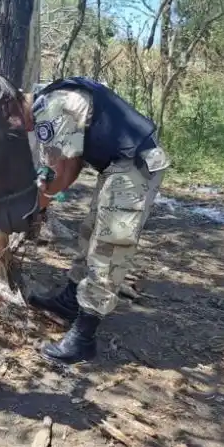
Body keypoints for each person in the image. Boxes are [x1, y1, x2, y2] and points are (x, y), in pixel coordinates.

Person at [26, 76, 171, 365]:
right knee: (91, 231)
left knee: (109, 247)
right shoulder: (53, 95)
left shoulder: (53, 106)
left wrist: (37, 209)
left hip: (134, 167)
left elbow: (64, 172)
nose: (20, 129)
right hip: (119, 165)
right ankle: (70, 300)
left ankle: (84, 337)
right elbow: (66, 162)